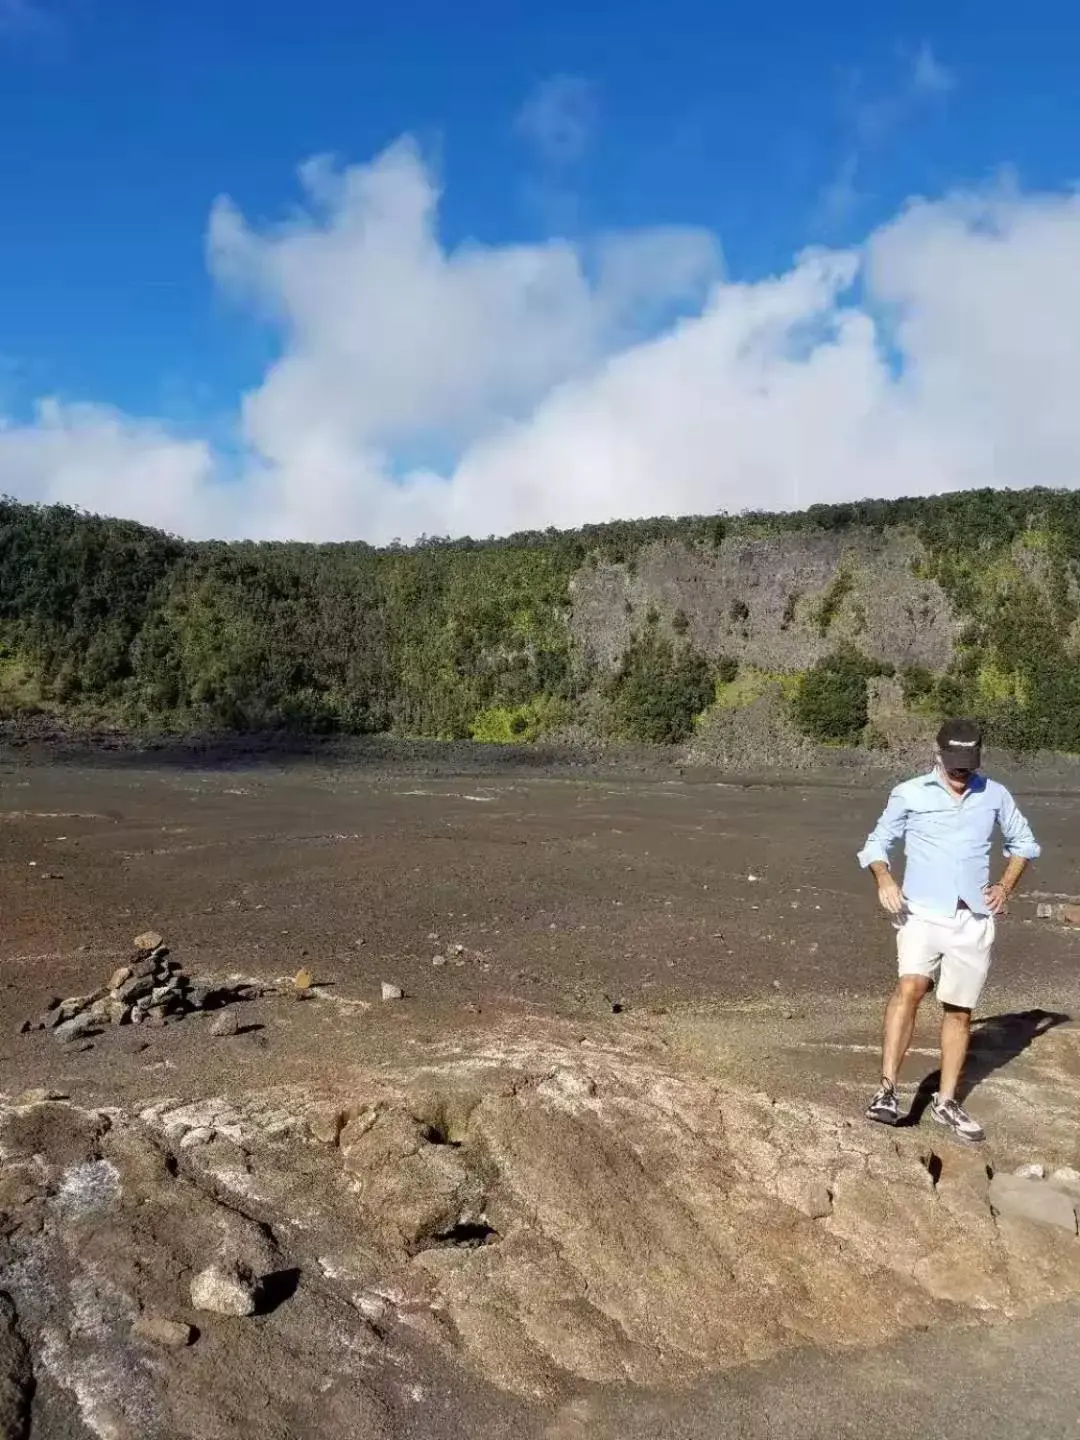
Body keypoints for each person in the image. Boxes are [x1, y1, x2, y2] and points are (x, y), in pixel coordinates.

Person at [857, 718, 1040, 1142]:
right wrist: (884, 880)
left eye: (968, 764)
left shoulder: (994, 794)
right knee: (911, 987)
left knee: (959, 1010)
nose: (962, 772)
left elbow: (1024, 843)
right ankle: (886, 1092)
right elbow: (875, 844)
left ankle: (946, 1102)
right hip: (920, 911)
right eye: (954, 763)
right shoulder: (908, 793)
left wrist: (1004, 886)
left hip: (972, 918)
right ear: (938, 755)